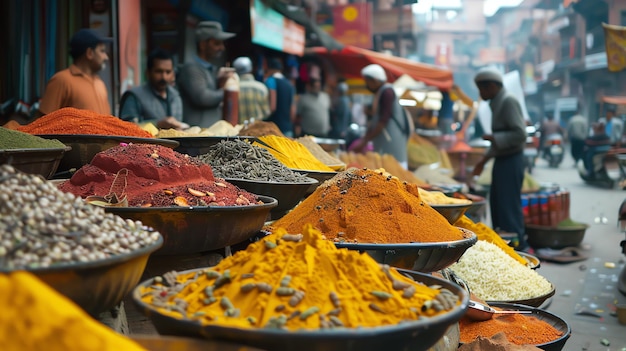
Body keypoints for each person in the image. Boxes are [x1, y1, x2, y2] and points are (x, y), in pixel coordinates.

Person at [471, 68, 529, 251]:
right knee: (498, 205)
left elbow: (520, 134)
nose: (481, 94)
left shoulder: (507, 101)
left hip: (511, 162)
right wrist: (483, 160)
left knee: (508, 208)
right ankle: (506, 247)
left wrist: (495, 138)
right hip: (503, 161)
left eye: (482, 89)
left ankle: (518, 248)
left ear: (492, 86)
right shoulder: (497, 102)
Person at [36, 28, 112, 117]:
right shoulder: (61, 80)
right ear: (89, 53)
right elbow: (42, 122)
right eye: (102, 51)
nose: (106, 57)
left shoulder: (99, 83)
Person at [177, 21, 235, 127]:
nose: (222, 48)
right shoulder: (191, 69)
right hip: (198, 135)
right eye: (217, 43)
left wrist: (219, 81)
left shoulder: (209, 69)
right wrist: (228, 90)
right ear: (203, 45)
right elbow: (202, 97)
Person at [351, 64, 409, 168]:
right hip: (384, 142)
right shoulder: (379, 93)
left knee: (395, 170)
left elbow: (383, 120)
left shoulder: (387, 92)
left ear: (375, 80)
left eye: (368, 82)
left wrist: (365, 140)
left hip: (392, 142)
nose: (367, 85)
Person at [118, 49, 186, 129]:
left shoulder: (175, 96)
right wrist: (156, 124)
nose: (164, 77)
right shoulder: (134, 96)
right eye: (158, 71)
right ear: (148, 73)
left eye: (168, 72)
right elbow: (125, 128)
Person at [233, 56, 270, 124]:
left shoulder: (232, 89)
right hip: (257, 131)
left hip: (237, 131)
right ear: (251, 69)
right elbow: (266, 113)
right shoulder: (261, 88)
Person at [264, 58, 296, 137]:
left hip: (274, 128)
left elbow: (272, 107)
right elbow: (292, 110)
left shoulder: (271, 80)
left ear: (269, 69)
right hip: (287, 128)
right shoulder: (289, 84)